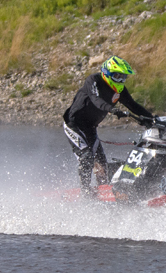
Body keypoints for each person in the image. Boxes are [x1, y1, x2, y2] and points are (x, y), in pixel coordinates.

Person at [63, 56, 156, 195]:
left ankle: (104, 190)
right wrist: (112, 109)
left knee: (101, 163)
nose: (120, 80)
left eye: (123, 77)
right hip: (74, 125)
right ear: (107, 73)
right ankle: (85, 192)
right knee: (87, 157)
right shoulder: (93, 80)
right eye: (117, 76)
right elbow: (96, 99)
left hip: (90, 127)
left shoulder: (119, 90)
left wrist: (153, 119)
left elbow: (133, 105)